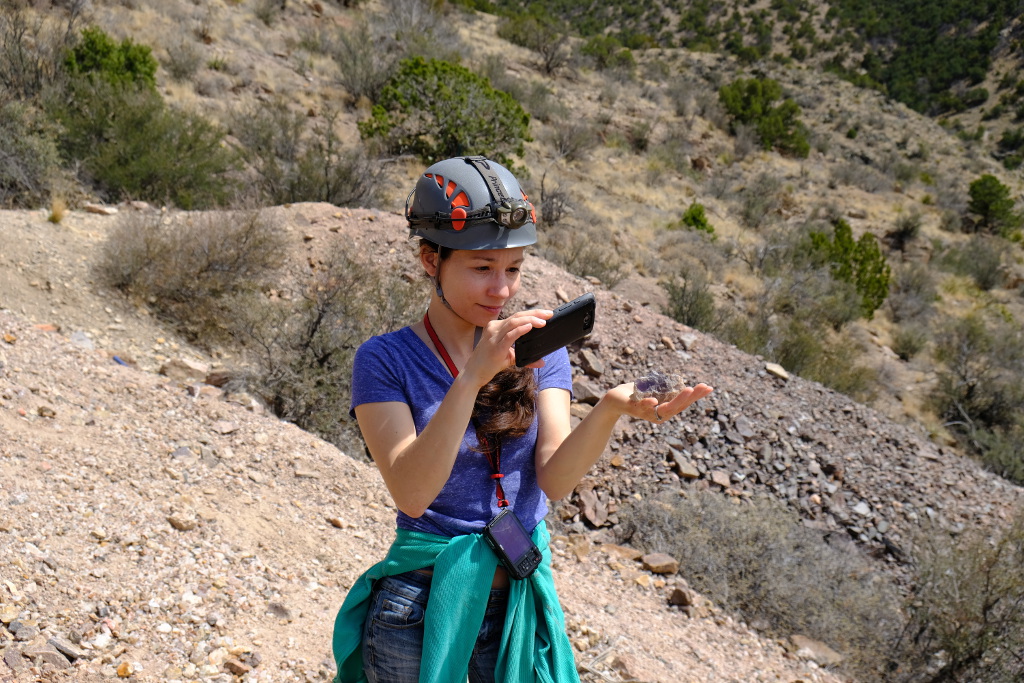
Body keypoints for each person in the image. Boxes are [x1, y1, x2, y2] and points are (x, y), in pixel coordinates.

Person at [331, 156, 713, 683]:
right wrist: (471, 378)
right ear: (429, 260)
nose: (502, 290)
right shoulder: (384, 360)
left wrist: (609, 410)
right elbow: (412, 491)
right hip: (420, 608)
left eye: (513, 269)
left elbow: (553, 477)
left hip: (516, 599)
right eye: (482, 268)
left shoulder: (541, 351)